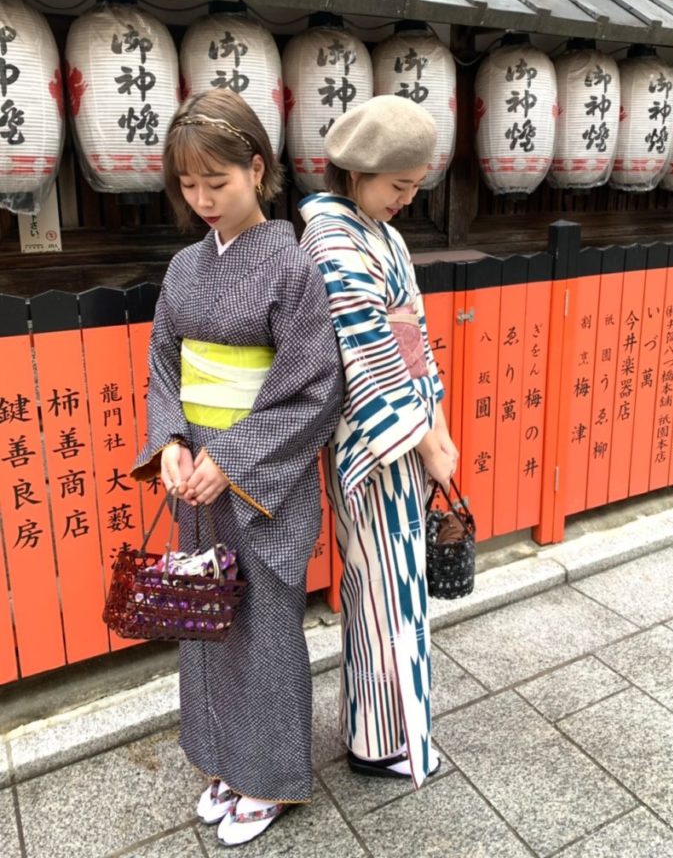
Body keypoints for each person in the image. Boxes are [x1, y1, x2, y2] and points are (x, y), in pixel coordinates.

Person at [132, 88, 343, 847]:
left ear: (257, 168)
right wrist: (173, 445)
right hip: (199, 478)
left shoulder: (291, 268)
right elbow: (164, 363)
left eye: (216, 183)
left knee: (261, 626)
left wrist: (233, 456)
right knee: (205, 621)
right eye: (188, 187)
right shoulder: (186, 266)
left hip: (264, 487)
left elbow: (315, 389)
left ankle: (270, 780)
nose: (202, 200)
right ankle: (222, 760)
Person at [299, 95, 459, 788]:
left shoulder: (381, 235)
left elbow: (416, 337)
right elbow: (365, 353)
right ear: (359, 172)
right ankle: (380, 739)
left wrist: (440, 428)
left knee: (395, 586)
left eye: (415, 186)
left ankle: (384, 728)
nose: (405, 200)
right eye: (397, 186)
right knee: (379, 586)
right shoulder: (330, 238)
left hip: (408, 425)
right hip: (376, 440)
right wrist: (426, 443)